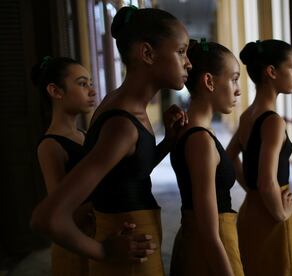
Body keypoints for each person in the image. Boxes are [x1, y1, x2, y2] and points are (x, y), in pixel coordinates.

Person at [31, 6, 192, 276]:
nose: (188, 63)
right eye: (181, 51)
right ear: (148, 54)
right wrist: (104, 251)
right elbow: (47, 217)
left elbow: (122, 176)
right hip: (128, 259)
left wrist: (167, 142)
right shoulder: (122, 124)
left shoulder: (122, 105)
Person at [226, 39, 292, 276]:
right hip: (273, 213)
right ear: (271, 72)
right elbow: (267, 181)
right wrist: (281, 213)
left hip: (251, 210)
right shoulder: (273, 121)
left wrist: (252, 189)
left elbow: (230, 157)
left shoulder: (247, 116)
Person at [169, 39, 244, 276]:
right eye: (233, 79)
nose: (238, 89)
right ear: (209, 81)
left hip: (203, 243)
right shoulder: (199, 140)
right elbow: (209, 232)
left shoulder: (193, 131)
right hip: (211, 250)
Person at [32, 56, 96, 275]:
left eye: (91, 83)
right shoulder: (51, 145)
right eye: (82, 84)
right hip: (74, 248)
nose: (92, 91)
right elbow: (61, 213)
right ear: (56, 91)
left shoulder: (85, 135)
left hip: (93, 238)